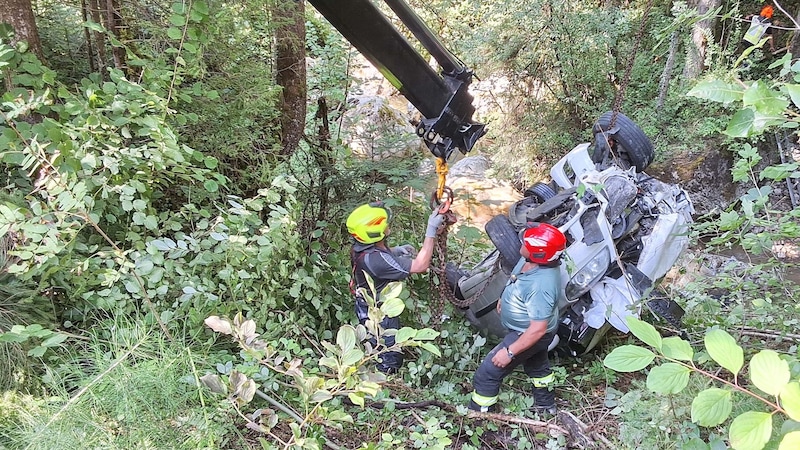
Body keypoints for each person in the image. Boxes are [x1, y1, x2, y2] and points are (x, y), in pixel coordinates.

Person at [468, 222, 567, 414]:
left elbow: (537, 329)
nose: (520, 243)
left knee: (488, 373)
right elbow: (516, 277)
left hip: (529, 333)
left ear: (539, 254)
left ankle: (479, 415)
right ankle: (546, 408)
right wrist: (503, 297)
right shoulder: (531, 260)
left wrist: (510, 352)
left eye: (526, 243)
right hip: (530, 331)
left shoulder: (542, 286)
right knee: (537, 367)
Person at [346, 201, 445, 373]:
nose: (388, 227)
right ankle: (387, 380)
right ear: (375, 232)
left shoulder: (360, 248)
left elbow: (379, 255)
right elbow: (420, 265)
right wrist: (431, 230)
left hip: (366, 305)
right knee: (388, 350)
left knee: (375, 343)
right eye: (385, 226)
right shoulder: (376, 261)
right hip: (379, 313)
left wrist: (396, 251)